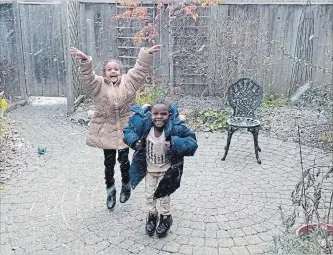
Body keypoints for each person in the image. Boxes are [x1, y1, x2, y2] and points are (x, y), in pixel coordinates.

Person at [70, 45, 161, 210]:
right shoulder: (98, 85)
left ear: (121, 71)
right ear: (104, 72)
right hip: (106, 129)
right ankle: (110, 190)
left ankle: (126, 184)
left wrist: (145, 55)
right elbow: (88, 78)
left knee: (124, 161)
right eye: (109, 69)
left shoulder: (129, 82)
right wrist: (85, 62)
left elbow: (139, 71)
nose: (113, 71)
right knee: (109, 163)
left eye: (116, 69)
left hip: (126, 129)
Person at [123, 100, 198, 237]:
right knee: (149, 195)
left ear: (169, 115)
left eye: (163, 114)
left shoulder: (175, 128)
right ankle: (152, 215)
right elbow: (128, 130)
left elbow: (192, 142)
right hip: (149, 170)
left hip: (167, 170)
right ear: (150, 114)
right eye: (155, 113)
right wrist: (135, 141)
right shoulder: (145, 126)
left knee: (164, 196)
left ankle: (165, 217)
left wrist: (176, 143)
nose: (159, 117)